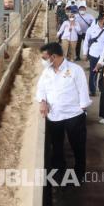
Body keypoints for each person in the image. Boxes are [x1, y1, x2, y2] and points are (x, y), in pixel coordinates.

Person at [36, 42, 92, 182]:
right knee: (57, 147)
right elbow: (41, 89)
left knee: (77, 146)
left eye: (44, 57)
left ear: (53, 56)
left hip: (73, 115)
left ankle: (79, 175)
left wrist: (82, 109)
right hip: (54, 116)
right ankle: (60, 174)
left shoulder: (75, 70)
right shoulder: (47, 71)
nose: (43, 61)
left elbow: (83, 91)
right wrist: (42, 101)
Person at [83, 13, 104, 96]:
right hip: (94, 53)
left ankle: (102, 88)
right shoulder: (91, 29)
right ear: (100, 19)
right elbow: (86, 41)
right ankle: (92, 90)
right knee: (93, 72)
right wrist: (85, 53)